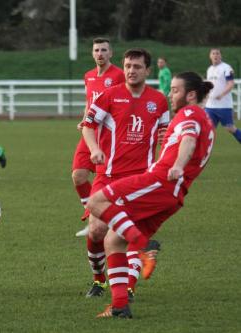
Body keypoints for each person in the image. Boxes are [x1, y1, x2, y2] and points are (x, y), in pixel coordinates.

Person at [87, 71, 215, 318]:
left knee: (96, 201)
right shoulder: (206, 120)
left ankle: (143, 245)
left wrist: (178, 164)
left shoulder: (190, 113)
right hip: (173, 195)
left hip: (160, 182)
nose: (170, 94)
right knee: (113, 241)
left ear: (191, 95)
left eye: (175, 90)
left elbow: (188, 140)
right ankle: (120, 306)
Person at [82, 48, 169, 300]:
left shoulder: (159, 101)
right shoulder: (110, 96)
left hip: (142, 179)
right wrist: (95, 148)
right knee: (96, 230)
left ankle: (127, 289)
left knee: (125, 233)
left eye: (137, 67)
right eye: (128, 66)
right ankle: (99, 280)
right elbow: (88, 126)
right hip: (108, 175)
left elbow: (165, 135)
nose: (131, 71)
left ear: (147, 71)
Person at [72, 37, 125, 239]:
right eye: (97, 50)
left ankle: (112, 219)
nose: (100, 54)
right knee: (78, 176)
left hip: (110, 137)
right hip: (90, 132)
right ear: (92, 53)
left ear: (111, 53)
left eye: (104, 50)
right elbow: (89, 103)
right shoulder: (89, 76)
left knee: (112, 180)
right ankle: (93, 214)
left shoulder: (119, 75)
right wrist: (84, 120)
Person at [205, 48, 241, 143]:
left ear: (221, 56)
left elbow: (231, 83)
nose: (215, 55)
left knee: (230, 128)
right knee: (208, 130)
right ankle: (202, 154)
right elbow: (209, 86)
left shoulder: (226, 68)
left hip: (224, 106)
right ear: (210, 56)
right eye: (213, 53)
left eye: (217, 53)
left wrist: (221, 94)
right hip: (210, 106)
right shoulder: (209, 69)